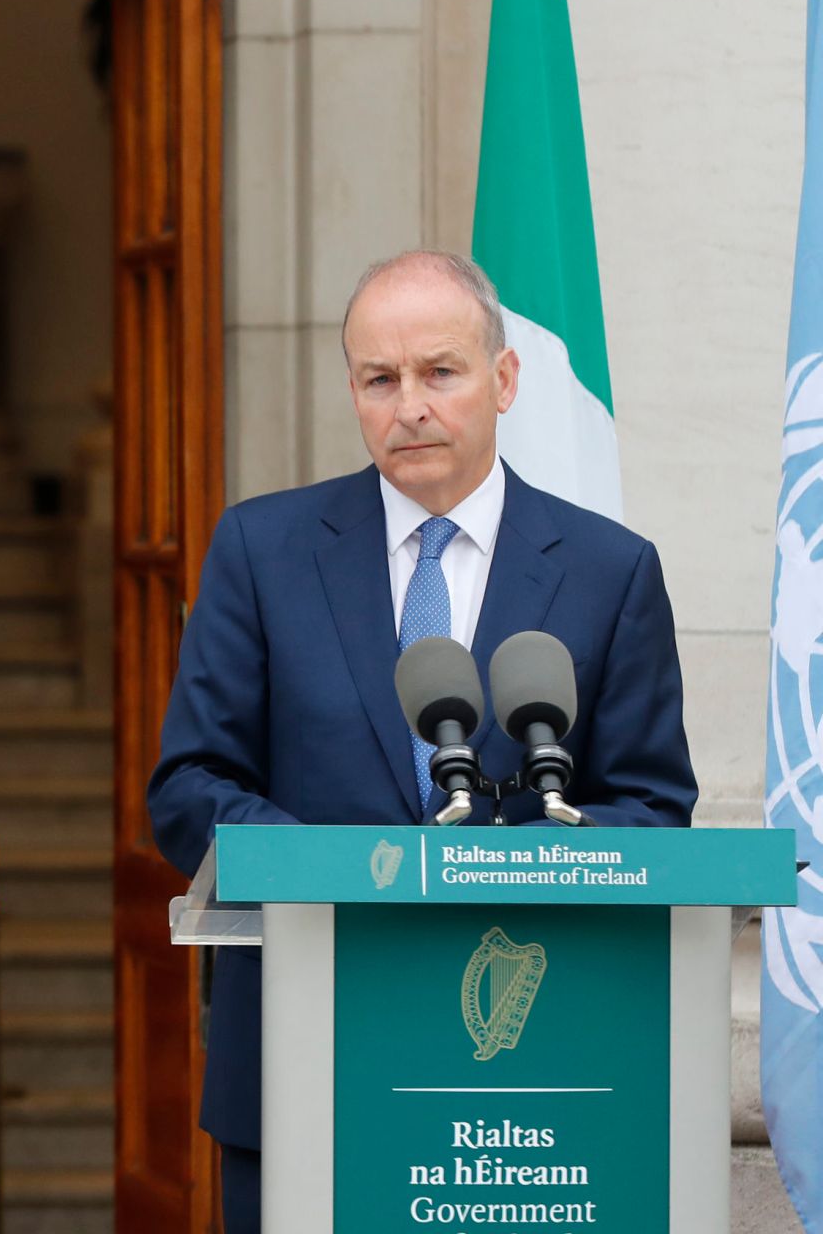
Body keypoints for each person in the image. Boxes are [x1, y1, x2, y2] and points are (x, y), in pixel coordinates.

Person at [145, 250, 696, 1232]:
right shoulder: (260, 551)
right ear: (352, 392)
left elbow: (652, 808)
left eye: (439, 371)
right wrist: (346, 875)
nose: (410, 405)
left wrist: (518, 866)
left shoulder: (610, 573)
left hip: (528, 1078)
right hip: (304, 1056)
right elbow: (190, 784)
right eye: (378, 378)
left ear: (505, 379)